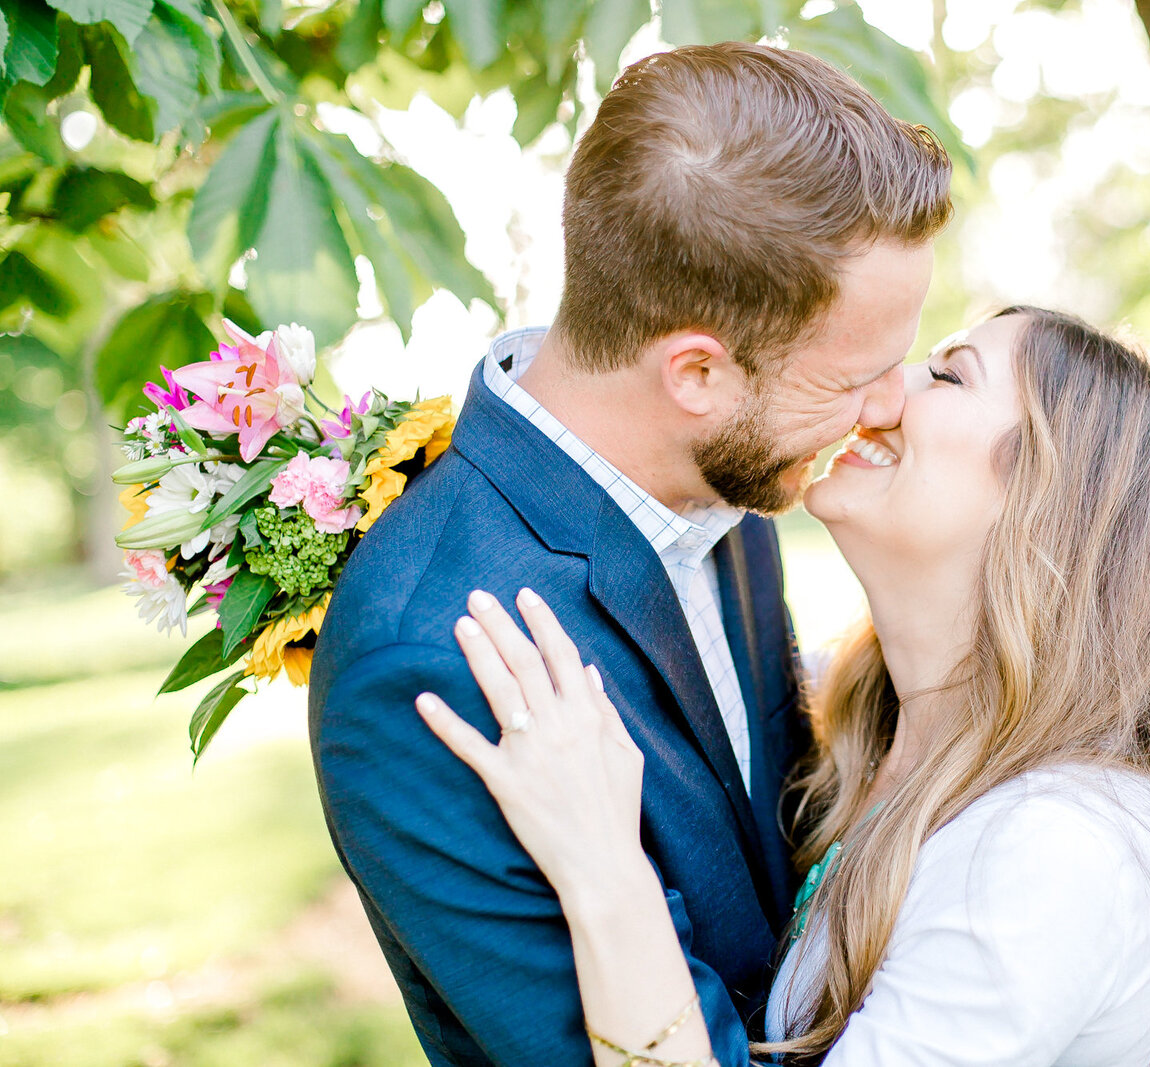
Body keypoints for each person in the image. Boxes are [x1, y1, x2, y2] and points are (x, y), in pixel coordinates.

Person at [419, 307, 1150, 1066]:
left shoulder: (1053, 850)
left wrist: (604, 871)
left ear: (1050, 500)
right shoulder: (884, 720)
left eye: (949, 375)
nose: (883, 392)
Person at [308, 42, 952, 1065]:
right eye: (856, 374)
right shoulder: (426, 658)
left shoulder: (729, 482)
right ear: (696, 371)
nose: (892, 404)